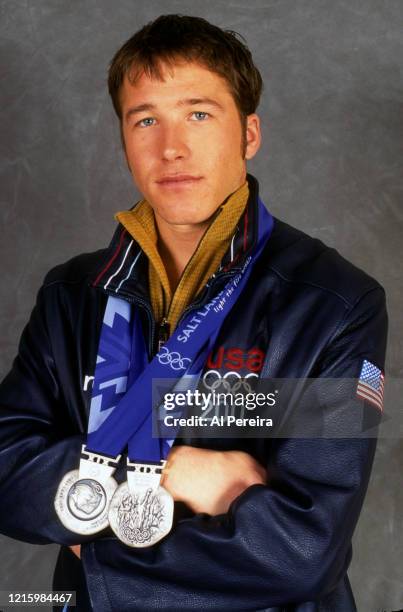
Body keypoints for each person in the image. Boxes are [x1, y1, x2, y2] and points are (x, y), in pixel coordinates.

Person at [0, 14, 388, 612]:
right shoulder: (70, 293)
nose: (171, 146)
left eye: (199, 114)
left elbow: (304, 549)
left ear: (249, 134)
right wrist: (176, 470)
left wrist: (93, 538)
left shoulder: (337, 303)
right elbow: (4, 467)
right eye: (146, 119)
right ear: (124, 140)